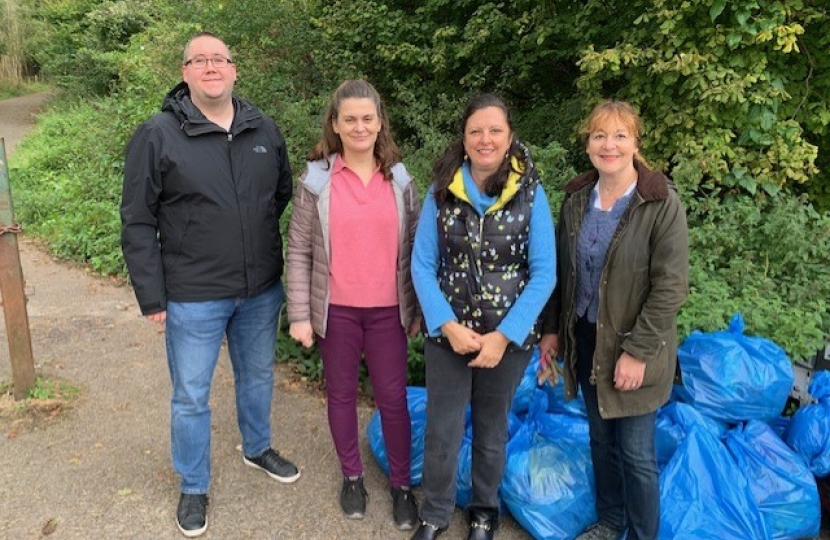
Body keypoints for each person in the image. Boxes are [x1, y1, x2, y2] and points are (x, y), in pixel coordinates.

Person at [120, 32, 299, 538]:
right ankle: (194, 484)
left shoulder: (263, 128)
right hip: (192, 295)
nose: (210, 67)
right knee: (191, 396)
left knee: (258, 376)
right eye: (199, 60)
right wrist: (152, 294)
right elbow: (136, 219)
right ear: (185, 74)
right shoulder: (157, 134)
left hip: (260, 289)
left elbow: (278, 194)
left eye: (218, 59)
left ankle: (257, 446)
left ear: (234, 69)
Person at [539, 100, 689, 540]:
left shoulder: (660, 204)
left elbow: (670, 288)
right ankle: (610, 522)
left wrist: (637, 353)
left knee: (637, 453)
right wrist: (552, 331)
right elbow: (561, 274)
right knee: (601, 441)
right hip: (586, 339)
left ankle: (643, 535)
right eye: (599, 136)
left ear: (636, 144)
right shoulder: (575, 199)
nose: (610, 145)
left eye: (620, 136)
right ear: (587, 143)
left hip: (635, 347)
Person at [410, 93, 556, 540]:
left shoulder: (531, 195)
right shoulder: (442, 191)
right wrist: (447, 326)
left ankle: (483, 512)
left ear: (510, 137)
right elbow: (421, 265)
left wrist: (503, 337)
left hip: (506, 341)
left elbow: (545, 272)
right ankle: (434, 514)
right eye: (476, 130)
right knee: (443, 429)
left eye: (495, 130)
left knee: (493, 430)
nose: (485, 139)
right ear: (464, 137)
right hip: (448, 336)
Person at [285, 79, 420, 530]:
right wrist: (301, 314)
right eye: (350, 120)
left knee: (393, 400)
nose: (359, 127)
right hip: (336, 312)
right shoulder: (316, 180)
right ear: (336, 125)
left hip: (388, 314)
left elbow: (418, 250)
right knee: (340, 396)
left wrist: (419, 308)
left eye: (367, 118)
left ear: (380, 123)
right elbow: (300, 249)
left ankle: (401, 486)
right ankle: (352, 477)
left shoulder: (400, 180)